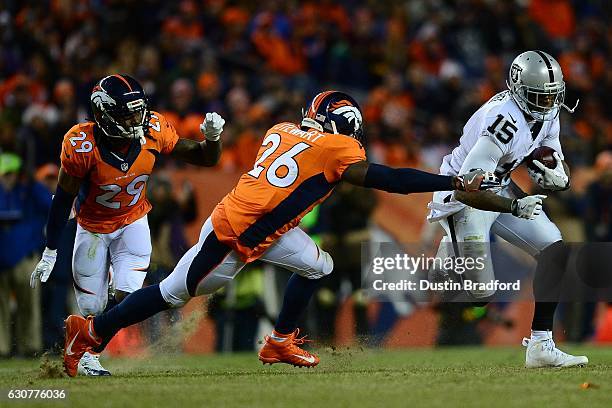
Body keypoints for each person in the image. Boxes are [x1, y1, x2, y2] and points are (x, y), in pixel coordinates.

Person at [60, 90, 499, 376]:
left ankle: (279, 342)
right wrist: (453, 181)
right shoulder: (336, 148)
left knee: (317, 266)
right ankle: (93, 330)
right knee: (174, 291)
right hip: (235, 233)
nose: (352, 138)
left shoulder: (281, 129)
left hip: (267, 225)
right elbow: (390, 178)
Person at [29, 74, 225, 375]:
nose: (137, 118)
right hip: (92, 227)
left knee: (129, 298)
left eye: (139, 109)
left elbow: (203, 158)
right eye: (127, 112)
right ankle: (85, 351)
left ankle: (88, 353)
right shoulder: (81, 143)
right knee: (92, 308)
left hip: (133, 221)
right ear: (104, 114)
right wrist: (51, 250)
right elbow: (62, 200)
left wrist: (212, 140)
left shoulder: (153, 129)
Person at [427, 50, 587, 368]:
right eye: (539, 97)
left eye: (551, 97)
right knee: (481, 293)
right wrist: (513, 205)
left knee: (554, 249)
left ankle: (541, 345)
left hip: (498, 184)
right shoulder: (503, 121)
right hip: (463, 196)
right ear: (517, 89)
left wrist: (557, 174)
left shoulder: (548, 113)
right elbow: (467, 189)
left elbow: (550, 154)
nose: (547, 104)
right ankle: (445, 261)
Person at [0, 153, 51, 357]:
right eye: (5, 174)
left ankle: (30, 348)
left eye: (13, 174)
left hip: (26, 258)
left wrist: (34, 183)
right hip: (1, 259)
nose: (9, 178)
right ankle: (2, 349)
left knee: (29, 305)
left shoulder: (30, 190)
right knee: (1, 308)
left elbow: (50, 206)